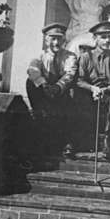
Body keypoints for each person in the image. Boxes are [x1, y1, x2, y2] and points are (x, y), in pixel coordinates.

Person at [26, 23, 78, 157]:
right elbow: (33, 70)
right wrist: (44, 85)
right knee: (31, 82)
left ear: (63, 40)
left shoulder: (70, 56)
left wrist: (58, 87)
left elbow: (69, 74)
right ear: (46, 40)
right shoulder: (39, 55)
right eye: (52, 39)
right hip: (45, 91)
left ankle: (68, 142)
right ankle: (41, 129)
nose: (56, 42)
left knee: (71, 97)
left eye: (59, 39)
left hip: (61, 91)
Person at [76, 21, 110, 159]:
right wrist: (93, 88)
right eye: (103, 37)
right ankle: (85, 139)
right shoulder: (86, 57)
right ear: (95, 39)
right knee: (79, 96)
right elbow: (79, 80)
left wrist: (104, 90)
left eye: (109, 37)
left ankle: (108, 137)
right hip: (90, 93)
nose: (107, 40)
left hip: (109, 93)